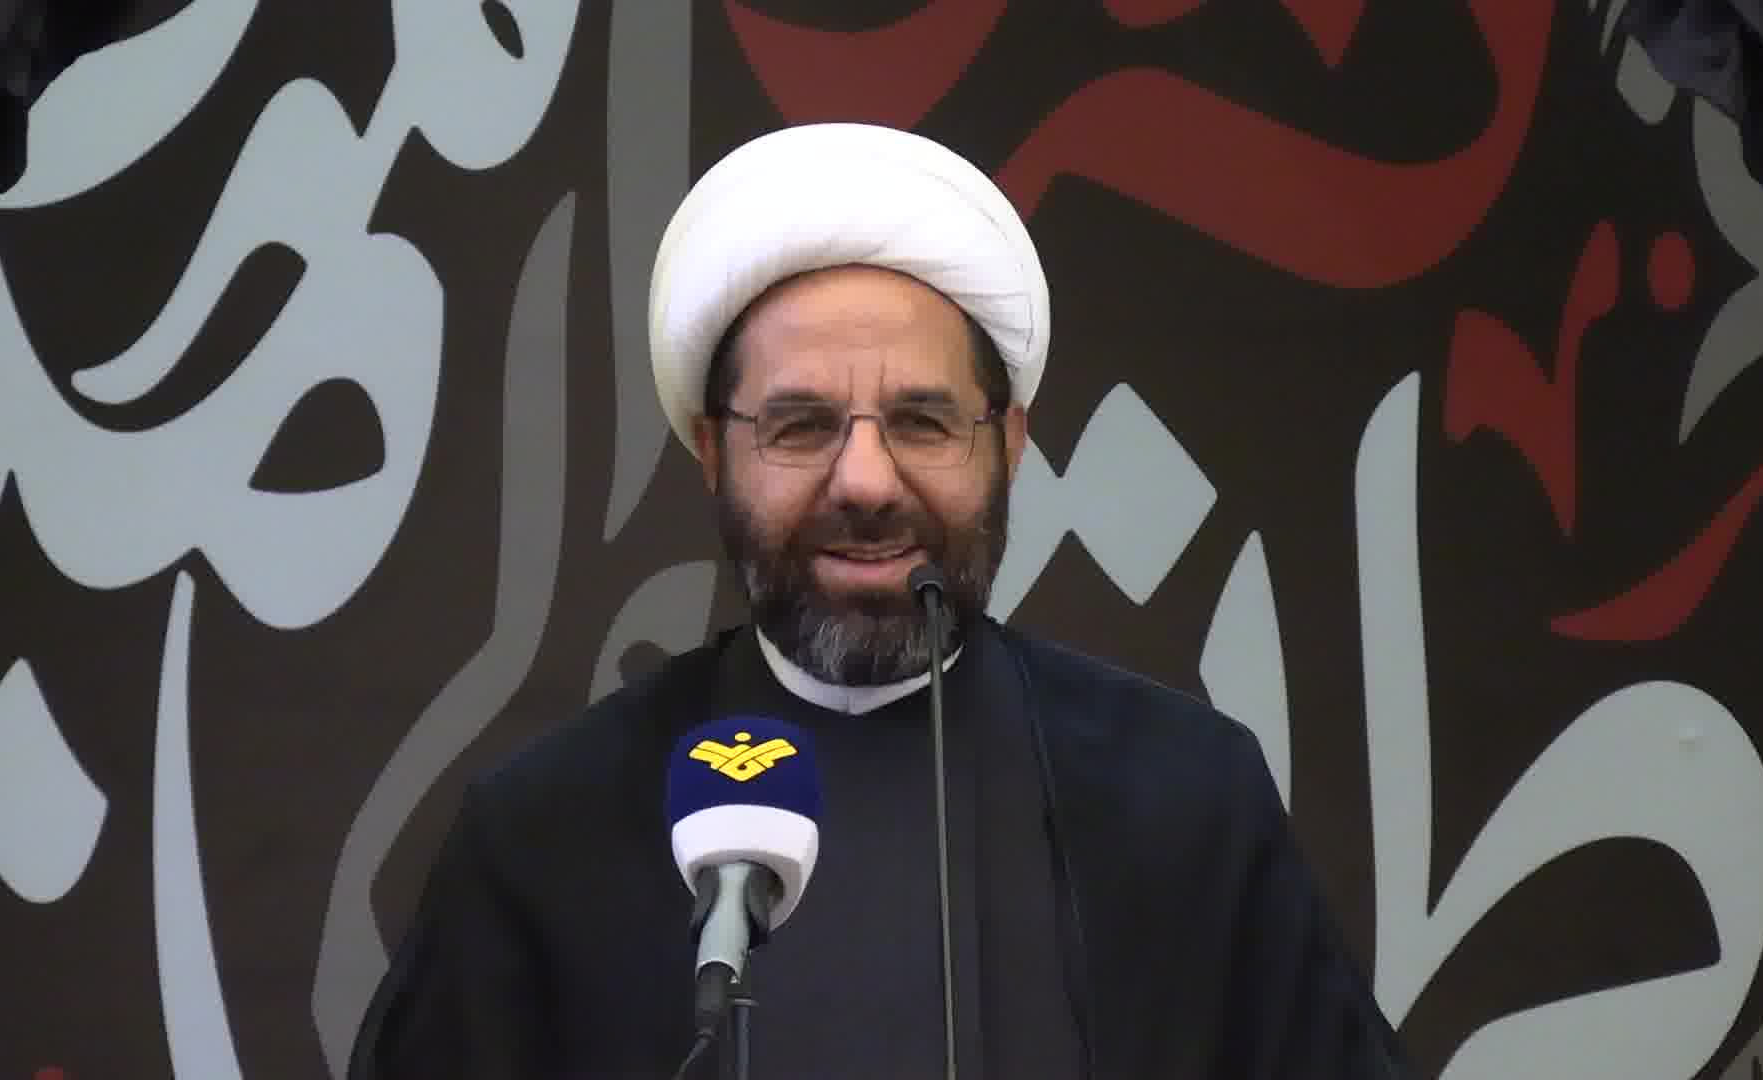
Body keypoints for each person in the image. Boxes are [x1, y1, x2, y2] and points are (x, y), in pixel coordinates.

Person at [348, 122, 1413, 1079]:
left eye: (922, 422)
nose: (865, 483)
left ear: (1009, 444)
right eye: (802, 426)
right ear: (714, 451)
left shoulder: (1185, 800)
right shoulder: (544, 833)